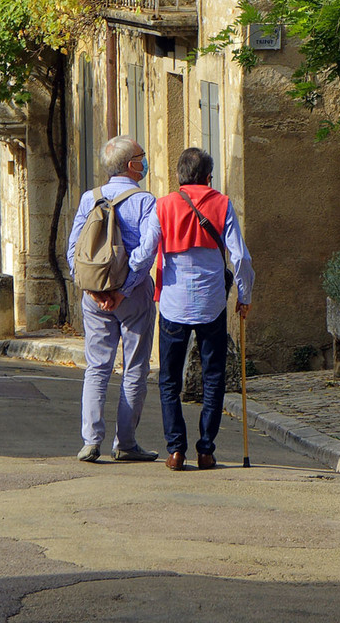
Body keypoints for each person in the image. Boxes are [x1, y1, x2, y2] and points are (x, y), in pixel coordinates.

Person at [154, 145, 253, 471]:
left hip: (172, 303)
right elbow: (240, 257)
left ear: (180, 177)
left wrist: (128, 287)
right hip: (212, 302)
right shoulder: (222, 204)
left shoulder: (163, 206)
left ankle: (176, 450)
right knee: (213, 378)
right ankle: (207, 450)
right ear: (208, 177)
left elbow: (144, 253)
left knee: (169, 380)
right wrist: (245, 295)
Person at [65, 134, 160, 462]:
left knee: (97, 367)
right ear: (133, 165)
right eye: (141, 156)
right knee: (134, 368)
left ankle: (91, 441)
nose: (144, 160)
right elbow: (148, 249)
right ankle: (126, 444)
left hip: (94, 298)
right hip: (132, 297)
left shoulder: (88, 199)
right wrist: (125, 289)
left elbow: (73, 251)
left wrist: (93, 290)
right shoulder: (145, 201)